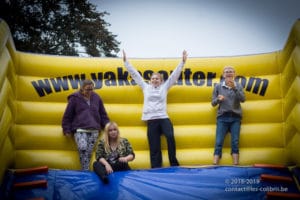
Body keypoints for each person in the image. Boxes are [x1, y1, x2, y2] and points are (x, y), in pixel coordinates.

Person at [122, 50, 187, 168]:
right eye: (153, 79)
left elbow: (174, 75)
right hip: (151, 119)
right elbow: (135, 74)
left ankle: (173, 162)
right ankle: (156, 167)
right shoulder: (145, 87)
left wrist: (182, 62)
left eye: (157, 79)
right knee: (154, 145)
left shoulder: (165, 87)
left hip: (163, 118)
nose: (155, 80)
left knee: (170, 136)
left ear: (161, 81)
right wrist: (126, 62)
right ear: (150, 80)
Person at [62, 79, 110, 170]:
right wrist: (66, 129)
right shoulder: (74, 98)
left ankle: (85, 171)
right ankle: (85, 171)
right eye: (88, 89)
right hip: (80, 130)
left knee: (88, 153)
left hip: (94, 130)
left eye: (92, 89)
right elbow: (68, 115)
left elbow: (103, 114)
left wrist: (108, 126)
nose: (90, 92)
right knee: (82, 148)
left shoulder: (97, 98)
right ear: (82, 88)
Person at [211, 66, 245, 165]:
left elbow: (243, 99)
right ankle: (215, 165)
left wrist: (235, 89)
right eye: (227, 72)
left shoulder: (238, 85)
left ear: (234, 74)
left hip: (235, 117)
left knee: (235, 142)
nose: (229, 73)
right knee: (218, 142)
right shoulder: (218, 86)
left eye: (231, 71)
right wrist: (218, 99)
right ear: (223, 74)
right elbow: (213, 103)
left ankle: (236, 165)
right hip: (222, 117)